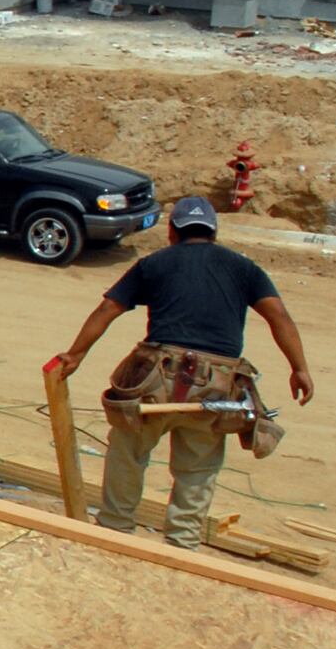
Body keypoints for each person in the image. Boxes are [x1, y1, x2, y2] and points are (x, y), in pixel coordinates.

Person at [52, 196, 313, 549]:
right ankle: (182, 542)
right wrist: (299, 369)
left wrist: (76, 353)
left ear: (172, 232)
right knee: (198, 467)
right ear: (213, 233)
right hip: (215, 383)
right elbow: (278, 316)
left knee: (129, 449)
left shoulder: (155, 263)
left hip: (156, 377)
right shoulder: (244, 268)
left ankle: (114, 529)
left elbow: (109, 308)